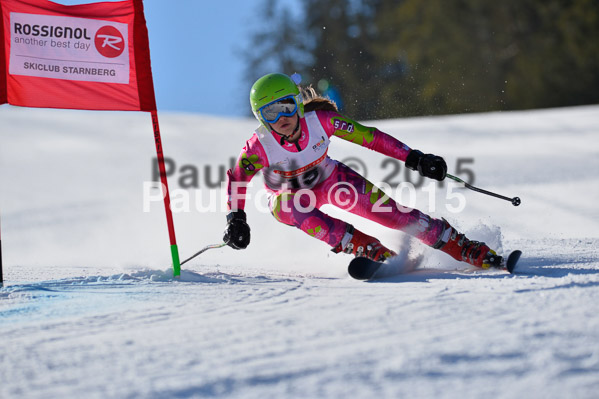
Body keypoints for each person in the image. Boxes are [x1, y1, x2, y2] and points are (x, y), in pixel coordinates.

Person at [223, 72, 500, 268]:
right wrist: (236, 218)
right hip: (289, 196)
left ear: (296, 103)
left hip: (330, 180)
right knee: (286, 206)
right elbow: (237, 178)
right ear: (261, 118)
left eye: (285, 106)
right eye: (271, 113)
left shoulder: (321, 121)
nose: (281, 118)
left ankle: (461, 246)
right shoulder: (259, 146)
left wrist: (415, 158)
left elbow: (370, 137)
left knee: (392, 214)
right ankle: (367, 248)